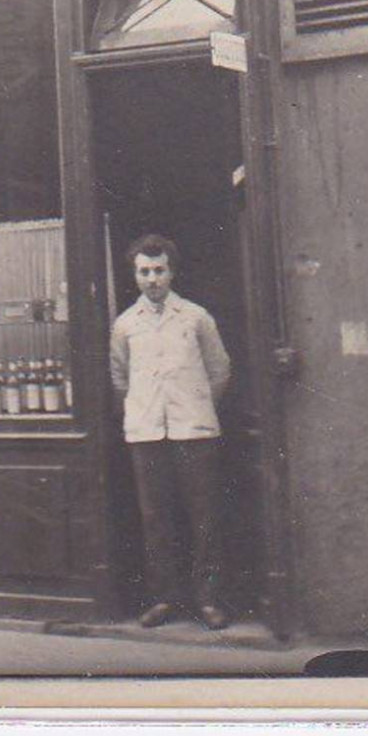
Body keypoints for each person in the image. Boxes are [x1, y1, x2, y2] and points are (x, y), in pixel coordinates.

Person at [109, 234, 233, 630]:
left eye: (159, 270)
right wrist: (143, 410)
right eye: (144, 272)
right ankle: (165, 598)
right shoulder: (125, 325)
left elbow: (219, 371)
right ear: (134, 275)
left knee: (204, 517)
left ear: (172, 272)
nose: (152, 279)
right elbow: (119, 377)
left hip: (194, 432)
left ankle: (209, 600)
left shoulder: (196, 318)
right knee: (155, 519)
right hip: (147, 433)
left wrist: (195, 406)